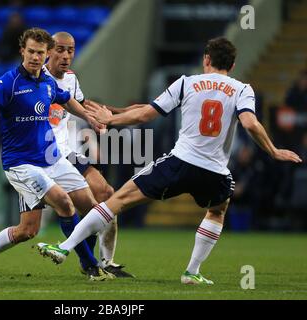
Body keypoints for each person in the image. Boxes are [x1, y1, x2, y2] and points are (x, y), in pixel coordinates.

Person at [37, 37, 303, 284]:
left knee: (116, 200)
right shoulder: (242, 89)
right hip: (215, 171)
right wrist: (273, 150)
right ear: (232, 65)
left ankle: (64, 247)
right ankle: (192, 272)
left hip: (179, 162)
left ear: (206, 60)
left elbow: (145, 115)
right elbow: (250, 123)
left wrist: (111, 119)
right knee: (217, 210)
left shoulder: (186, 82)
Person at [0, 28, 114, 281]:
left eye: (40, 53)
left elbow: (67, 100)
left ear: (46, 55)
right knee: (64, 203)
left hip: (52, 159)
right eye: (31, 52)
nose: (35, 57)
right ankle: (91, 267)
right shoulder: (7, 83)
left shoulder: (47, 82)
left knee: (39, 226)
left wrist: (89, 116)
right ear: (22, 51)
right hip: (21, 164)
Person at [30, 31, 133, 277]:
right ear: (49, 52)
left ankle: (104, 263)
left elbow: (80, 105)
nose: (66, 56)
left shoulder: (72, 78)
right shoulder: (34, 79)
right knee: (28, 230)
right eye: (60, 49)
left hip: (67, 152)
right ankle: (88, 262)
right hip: (41, 156)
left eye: (71, 50)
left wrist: (115, 114)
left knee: (106, 194)